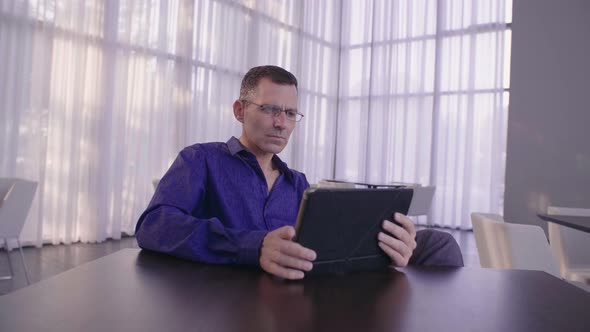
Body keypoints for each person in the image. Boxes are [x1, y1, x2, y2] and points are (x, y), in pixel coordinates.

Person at [135, 65, 463, 280]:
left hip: (307, 284)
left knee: (438, 244)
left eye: (290, 113)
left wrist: (382, 250)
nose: (281, 123)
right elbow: (154, 225)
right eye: (270, 109)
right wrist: (254, 245)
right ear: (240, 110)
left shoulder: (299, 184)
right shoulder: (201, 159)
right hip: (242, 297)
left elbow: (322, 249)